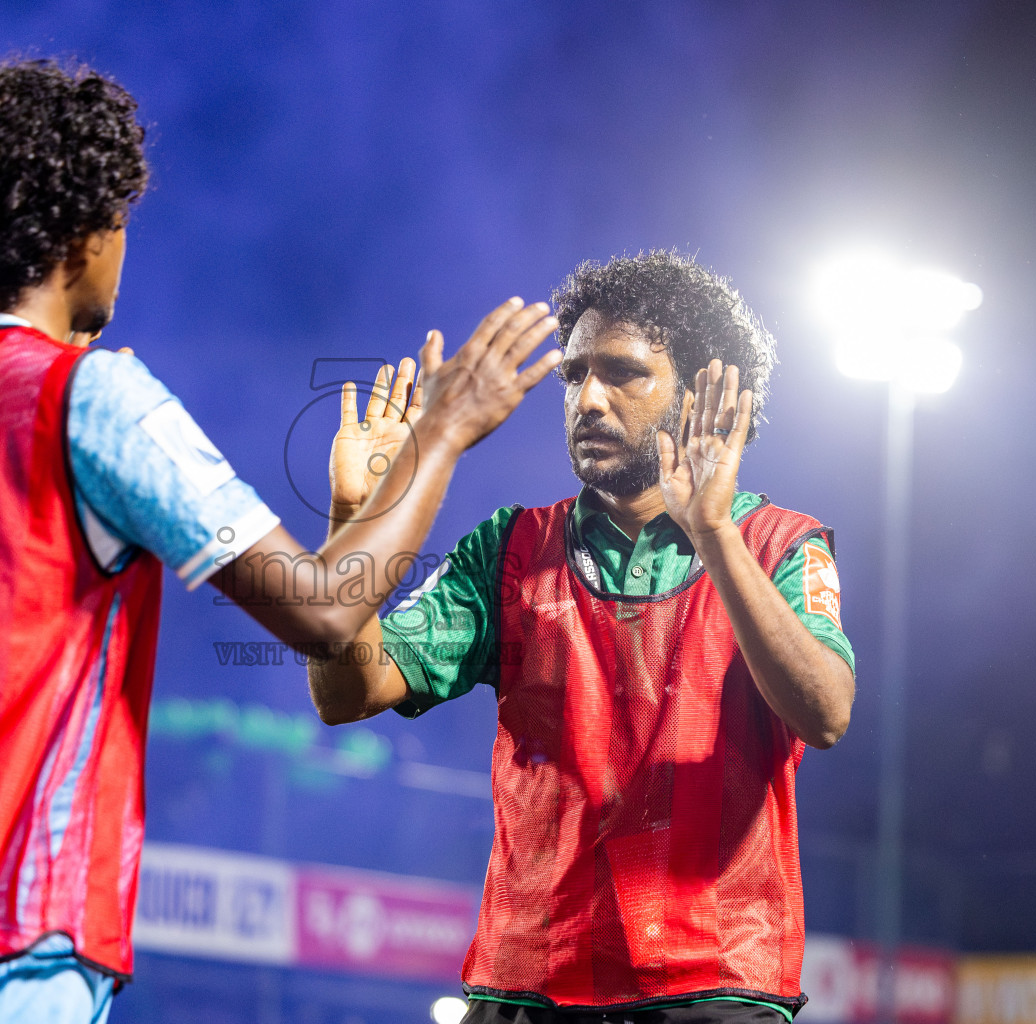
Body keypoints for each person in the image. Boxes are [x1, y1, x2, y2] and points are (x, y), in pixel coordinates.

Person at [0, 57, 562, 1024]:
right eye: (121, 219)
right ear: (80, 233)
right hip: (16, 932)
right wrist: (444, 434)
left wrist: (357, 499)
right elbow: (326, 613)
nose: (125, 245)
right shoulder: (92, 397)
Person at [309, 251, 857, 1024]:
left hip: (713, 986)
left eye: (622, 373)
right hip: (525, 986)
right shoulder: (511, 547)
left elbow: (825, 713)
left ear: (701, 393)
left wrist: (710, 530)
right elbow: (343, 693)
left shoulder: (778, 544)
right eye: (574, 376)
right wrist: (356, 517)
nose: (588, 399)